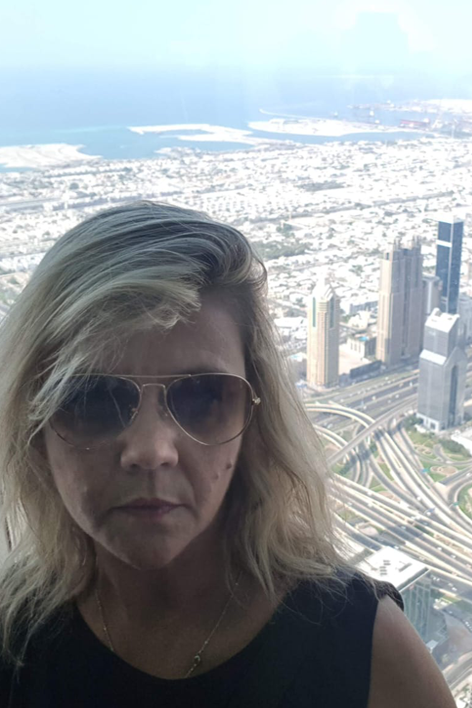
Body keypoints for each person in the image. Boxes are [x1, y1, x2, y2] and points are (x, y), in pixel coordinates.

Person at [0, 201, 455, 707]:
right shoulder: (14, 637)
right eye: (92, 398)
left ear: (254, 419)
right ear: (32, 425)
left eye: (203, 396)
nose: (150, 451)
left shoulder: (366, 651)